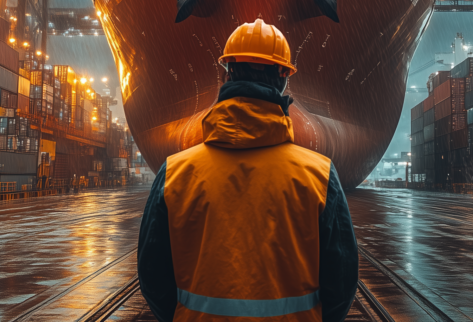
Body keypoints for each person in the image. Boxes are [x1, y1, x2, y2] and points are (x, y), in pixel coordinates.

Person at [138, 19, 358, 321]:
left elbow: (152, 276)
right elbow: (342, 282)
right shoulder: (319, 175)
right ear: (283, 76)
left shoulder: (175, 172)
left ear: (227, 72)